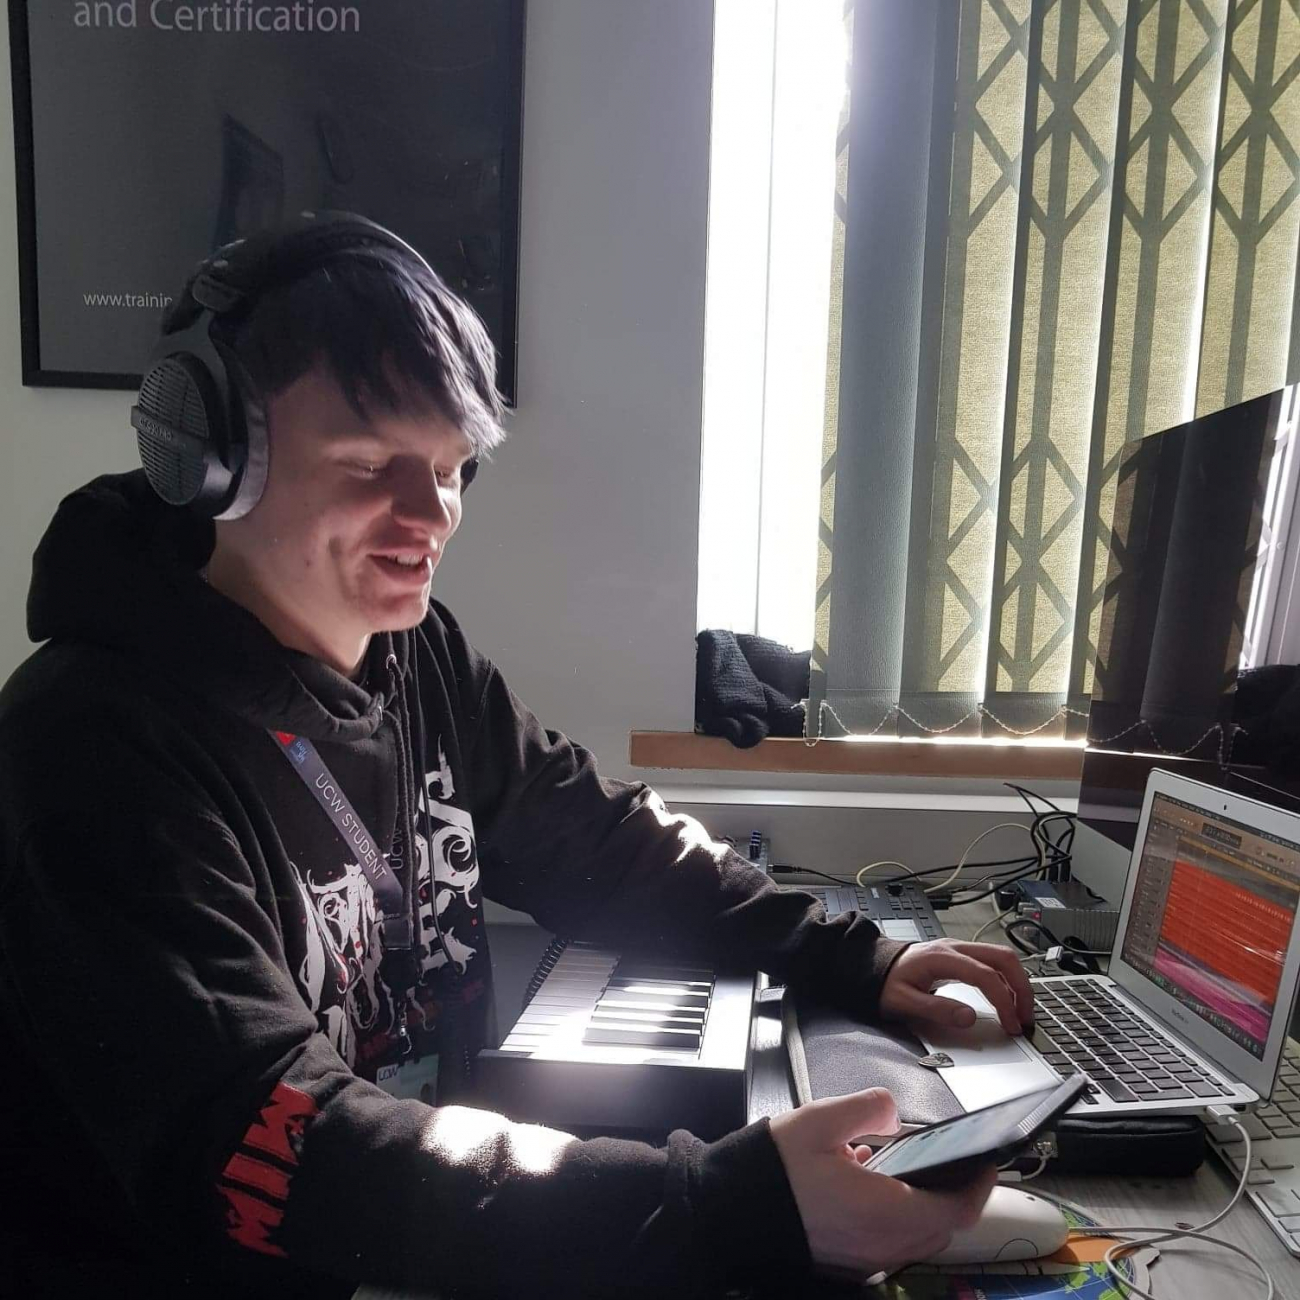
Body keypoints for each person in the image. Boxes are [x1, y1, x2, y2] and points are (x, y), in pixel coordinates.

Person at [0, 213, 1034, 1298]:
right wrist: (728, 1201)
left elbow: (595, 837)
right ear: (211, 464)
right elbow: (274, 1140)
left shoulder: (415, 654)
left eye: (451, 469)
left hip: (387, 1244)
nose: (430, 515)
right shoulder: (93, 751)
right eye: (368, 464)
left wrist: (851, 957)